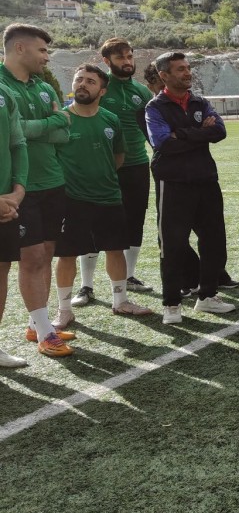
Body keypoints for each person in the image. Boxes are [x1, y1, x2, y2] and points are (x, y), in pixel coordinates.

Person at [51, 65, 153, 328]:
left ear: (102, 90)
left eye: (90, 81)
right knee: (67, 254)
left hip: (109, 196)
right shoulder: (61, 119)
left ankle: (120, 301)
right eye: (79, 79)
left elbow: (118, 157)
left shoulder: (110, 119)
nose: (82, 84)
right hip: (72, 200)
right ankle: (64, 310)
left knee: (115, 249)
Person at [146, 51, 236, 324]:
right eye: (180, 69)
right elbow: (163, 143)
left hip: (206, 180)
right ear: (164, 75)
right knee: (173, 245)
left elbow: (219, 131)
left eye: (188, 68)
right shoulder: (155, 108)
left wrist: (182, 133)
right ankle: (172, 304)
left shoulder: (200, 102)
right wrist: (200, 133)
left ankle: (207, 296)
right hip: (174, 183)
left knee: (214, 242)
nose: (187, 73)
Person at [0, 23, 73, 358]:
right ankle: (46, 332)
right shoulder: (2, 87)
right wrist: (52, 122)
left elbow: (64, 133)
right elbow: (17, 132)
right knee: (30, 257)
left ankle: (36, 323)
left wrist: (45, 127)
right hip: (19, 187)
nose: (46, 57)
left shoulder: (43, 87)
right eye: (42, 50)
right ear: (20, 48)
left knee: (44, 255)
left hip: (52, 181)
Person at [72, 38, 156, 309]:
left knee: (134, 221)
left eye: (130, 56)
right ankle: (86, 285)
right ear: (107, 61)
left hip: (137, 165)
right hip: (101, 168)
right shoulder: (99, 87)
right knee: (92, 225)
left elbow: (150, 128)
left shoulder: (141, 91)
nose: (127, 62)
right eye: (121, 58)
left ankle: (128, 276)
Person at [0, 75, 29, 368]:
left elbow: (18, 144)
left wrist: (18, 192)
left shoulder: (4, 93)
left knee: (0, 270)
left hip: (6, 204)